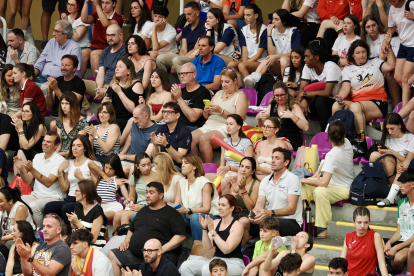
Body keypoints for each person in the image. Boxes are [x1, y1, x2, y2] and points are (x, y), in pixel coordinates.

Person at [108, 182, 186, 276]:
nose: (147, 195)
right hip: (136, 255)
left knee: (151, 264)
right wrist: (126, 241)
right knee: (112, 255)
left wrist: (161, 249)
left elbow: (180, 236)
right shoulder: (142, 211)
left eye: (151, 192)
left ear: (161, 195)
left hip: (159, 256)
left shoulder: (172, 213)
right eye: (147, 192)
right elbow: (132, 229)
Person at [300, 120, 355, 239]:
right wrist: (317, 174)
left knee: (319, 191)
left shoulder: (333, 155)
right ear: (343, 134)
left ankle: (325, 227)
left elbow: (323, 183)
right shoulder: (347, 142)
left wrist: (303, 180)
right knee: (307, 186)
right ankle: (305, 217)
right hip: (333, 183)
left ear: (329, 137)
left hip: (343, 188)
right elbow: (326, 160)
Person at [332, 39, 396, 133]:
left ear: (367, 52)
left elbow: (391, 66)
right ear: (352, 55)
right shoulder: (347, 70)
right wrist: (340, 96)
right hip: (357, 104)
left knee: (355, 107)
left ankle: (362, 140)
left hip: (377, 102)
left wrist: (388, 48)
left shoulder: (375, 62)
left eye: (363, 52)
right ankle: (337, 137)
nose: (361, 55)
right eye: (358, 53)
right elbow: (345, 88)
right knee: (336, 106)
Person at [191, 68, 249, 163]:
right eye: (222, 81)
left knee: (204, 138)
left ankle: (208, 169)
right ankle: (195, 167)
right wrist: (206, 111)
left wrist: (221, 111)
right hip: (209, 124)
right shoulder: (218, 93)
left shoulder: (241, 96)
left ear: (235, 81)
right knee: (190, 137)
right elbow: (206, 117)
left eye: (227, 82)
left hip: (225, 127)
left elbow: (239, 119)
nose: (223, 85)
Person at [243, 147, 302, 240]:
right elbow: (258, 206)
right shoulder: (265, 180)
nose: (273, 161)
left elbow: (292, 209)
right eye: (272, 158)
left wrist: (271, 212)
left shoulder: (292, 179)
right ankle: (245, 250)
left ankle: (259, 249)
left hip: (291, 222)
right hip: (269, 220)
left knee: (269, 226)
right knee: (243, 222)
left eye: (277, 158)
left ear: (286, 162)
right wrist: (253, 215)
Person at [179, 194, 245, 276]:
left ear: (231, 208)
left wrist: (213, 231)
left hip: (234, 263)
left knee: (207, 269)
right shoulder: (216, 222)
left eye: (223, 205)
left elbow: (226, 249)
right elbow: (208, 247)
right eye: (219, 204)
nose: (220, 208)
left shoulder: (237, 225)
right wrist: (204, 229)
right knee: (186, 266)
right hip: (216, 261)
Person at [44, 134, 103, 225]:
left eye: (78, 146)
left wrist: (81, 179)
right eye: (73, 145)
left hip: (85, 199)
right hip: (70, 198)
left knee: (66, 208)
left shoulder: (92, 163)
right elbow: (64, 188)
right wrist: (60, 171)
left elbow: (95, 188)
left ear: (85, 148)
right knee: (49, 206)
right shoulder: (69, 163)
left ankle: (70, 233)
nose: (74, 148)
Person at [16, 131, 65, 227]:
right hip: (36, 195)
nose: (44, 143)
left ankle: (38, 232)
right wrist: (21, 169)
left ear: (57, 145)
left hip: (53, 197)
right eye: (44, 140)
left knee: (34, 206)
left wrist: (32, 170)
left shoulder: (60, 160)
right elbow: (27, 181)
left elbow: (48, 182)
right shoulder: (37, 157)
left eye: (49, 142)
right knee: (17, 201)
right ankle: (21, 229)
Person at [243, 9, 301, 87]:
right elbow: (271, 53)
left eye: (276, 19)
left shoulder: (293, 31)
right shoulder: (272, 31)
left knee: (283, 59)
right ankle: (254, 79)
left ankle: (285, 84)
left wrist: (276, 56)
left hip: (290, 63)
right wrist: (269, 35)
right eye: (273, 19)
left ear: (284, 21)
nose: (273, 21)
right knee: (269, 57)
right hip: (276, 64)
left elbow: (293, 53)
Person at [296, 38, 342, 131]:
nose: (304, 60)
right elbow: (302, 90)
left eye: (307, 56)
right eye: (304, 57)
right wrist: (303, 99)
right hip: (314, 104)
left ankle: (325, 133)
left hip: (333, 102)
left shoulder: (331, 67)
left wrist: (304, 95)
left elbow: (326, 93)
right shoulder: (308, 67)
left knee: (320, 100)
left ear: (317, 57)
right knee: (295, 101)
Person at [370, 113, 414, 206]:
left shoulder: (410, 138)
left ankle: (391, 197)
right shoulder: (388, 136)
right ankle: (374, 186)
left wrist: (393, 153)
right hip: (391, 162)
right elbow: (387, 154)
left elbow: (407, 161)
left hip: (403, 164)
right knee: (374, 155)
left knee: (397, 164)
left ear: (399, 125)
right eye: (388, 129)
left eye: (392, 128)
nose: (389, 132)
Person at [174, 154, 220, 241]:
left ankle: (198, 249)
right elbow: (177, 204)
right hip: (190, 216)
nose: (182, 165)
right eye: (182, 163)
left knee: (195, 217)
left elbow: (207, 209)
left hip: (211, 217)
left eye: (186, 163)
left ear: (194, 166)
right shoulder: (180, 182)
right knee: (174, 217)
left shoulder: (204, 183)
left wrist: (188, 210)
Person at [360, 14, 401, 108]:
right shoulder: (363, 40)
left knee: (390, 73)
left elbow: (383, 59)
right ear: (365, 29)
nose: (372, 29)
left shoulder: (385, 38)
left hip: (383, 67)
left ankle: (396, 105)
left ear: (378, 25)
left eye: (373, 25)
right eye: (368, 27)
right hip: (368, 68)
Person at [156, 2, 205, 78]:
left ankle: (186, 86)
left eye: (189, 14)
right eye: (185, 14)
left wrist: (179, 60)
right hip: (185, 56)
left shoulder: (203, 27)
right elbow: (183, 48)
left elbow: (197, 48)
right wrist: (179, 59)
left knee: (176, 60)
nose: (186, 17)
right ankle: (165, 84)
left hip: (196, 55)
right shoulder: (186, 28)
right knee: (160, 58)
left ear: (197, 13)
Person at [113, 152, 158, 233]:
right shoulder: (135, 177)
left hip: (150, 207)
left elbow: (160, 199)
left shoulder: (157, 176)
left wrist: (143, 206)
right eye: (143, 165)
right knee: (117, 215)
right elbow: (132, 196)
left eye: (149, 164)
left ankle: (126, 242)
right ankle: (115, 241)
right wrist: (129, 200)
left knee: (124, 215)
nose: (147, 168)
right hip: (138, 206)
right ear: (137, 166)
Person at [256, 81, 308, 150]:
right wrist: (258, 118)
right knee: (257, 146)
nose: (279, 98)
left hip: (291, 139)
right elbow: (263, 127)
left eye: (282, 95)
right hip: (273, 137)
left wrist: (292, 116)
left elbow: (306, 127)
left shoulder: (294, 106)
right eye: (277, 96)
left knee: (274, 146)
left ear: (287, 94)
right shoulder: (272, 105)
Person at [381, 0, 414, 107]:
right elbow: (391, 27)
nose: (393, 3)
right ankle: (410, 104)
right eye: (390, 1)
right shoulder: (392, 8)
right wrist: (385, 42)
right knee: (398, 77)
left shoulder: (411, 4)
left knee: (405, 79)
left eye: (394, 0)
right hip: (403, 45)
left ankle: (405, 111)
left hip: (413, 45)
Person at [45, 54, 89, 131]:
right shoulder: (58, 80)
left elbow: (71, 103)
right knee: (33, 121)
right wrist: (49, 91)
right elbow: (49, 106)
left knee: (53, 124)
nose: (63, 68)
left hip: (69, 118)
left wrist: (56, 89)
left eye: (67, 65)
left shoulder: (79, 83)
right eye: (62, 65)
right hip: (54, 116)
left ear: (74, 68)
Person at [80, 0, 123, 78]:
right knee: (83, 53)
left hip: (109, 47)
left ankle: (97, 83)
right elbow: (84, 19)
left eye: (107, 3)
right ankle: (78, 81)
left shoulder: (118, 17)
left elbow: (106, 23)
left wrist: (97, 5)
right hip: (95, 46)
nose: (104, 5)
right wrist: (86, 3)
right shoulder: (97, 14)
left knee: (94, 54)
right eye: (103, 2)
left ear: (114, 4)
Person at [340, 207, 388, 276]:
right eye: (359, 222)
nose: (362, 226)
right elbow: (341, 262)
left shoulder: (375, 236)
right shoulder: (348, 236)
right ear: (353, 222)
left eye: (366, 222)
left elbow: (382, 263)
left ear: (369, 222)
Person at [383, 169, 414, 274]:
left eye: (403, 182)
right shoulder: (401, 203)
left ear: (413, 184)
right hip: (402, 241)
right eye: (399, 182)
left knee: (399, 258)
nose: (400, 185)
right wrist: (389, 243)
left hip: (412, 243)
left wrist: (396, 247)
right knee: (378, 243)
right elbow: (399, 232)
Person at [206, 114, 253, 184]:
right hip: (226, 171)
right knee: (203, 177)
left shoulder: (246, 142)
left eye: (231, 124)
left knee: (225, 181)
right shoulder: (225, 141)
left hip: (240, 173)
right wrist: (220, 171)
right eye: (227, 124)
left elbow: (248, 167)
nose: (228, 126)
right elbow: (222, 164)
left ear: (239, 126)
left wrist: (229, 168)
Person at [85, 24, 128, 99]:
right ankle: (86, 109)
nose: (110, 38)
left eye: (112, 35)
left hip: (116, 86)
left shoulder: (125, 51)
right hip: (103, 86)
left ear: (120, 35)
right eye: (108, 35)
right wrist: (99, 89)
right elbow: (101, 73)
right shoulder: (105, 51)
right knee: (77, 83)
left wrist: (105, 89)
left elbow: (122, 77)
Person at [101, 58, 144, 132]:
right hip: (112, 118)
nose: (117, 69)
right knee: (90, 125)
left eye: (120, 67)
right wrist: (103, 103)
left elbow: (134, 110)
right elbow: (105, 108)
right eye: (116, 66)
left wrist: (120, 92)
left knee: (111, 127)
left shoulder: (136, 84)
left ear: (129, 71)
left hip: (128, 120)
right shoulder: (113, 85)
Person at [227, 4, 267, 79]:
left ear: (256, 15)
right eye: (245, 15)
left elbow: (259, 54)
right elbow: (244, 52)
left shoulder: (264, 30)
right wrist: (245, 62)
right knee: (231, 64)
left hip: (260, 62)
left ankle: (251, 89)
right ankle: (234, 87)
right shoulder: (244, 29)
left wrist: (245, 63)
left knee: (241, 65)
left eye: (248, 15)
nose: (245, 18)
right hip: (248, 60)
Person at [148, 102, 192, 169]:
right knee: (138, 168)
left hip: (176, 167)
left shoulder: (185, 131)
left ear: (177, 115)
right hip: (161, 164)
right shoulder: (161, 128)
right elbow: (156, 158)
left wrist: (166, 144)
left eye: (169, 112)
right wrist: (156, 146)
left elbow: (180, 159)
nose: (165, 115)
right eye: (164, 112)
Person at [170, 63, 212, 131]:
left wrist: (179, 99)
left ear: (194, 75)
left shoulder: (203, 92)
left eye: (185, 73)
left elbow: (193, 118)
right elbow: (170, 114)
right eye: (181, 74)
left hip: (192, 128)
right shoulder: (181, 91)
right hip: (176, 125)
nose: (182, 76)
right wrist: (172, 102)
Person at [67, 180, 107, 250]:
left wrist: (77, 223)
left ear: (84, 194)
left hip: (94, 248)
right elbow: (75, 230)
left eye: (76, 191)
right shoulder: (78, 208)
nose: (74, 193)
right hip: (79, 247)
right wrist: (72, 222)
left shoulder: (97, 210)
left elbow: (93, 239)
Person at [119, 105, 158, 169]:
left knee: (123, 169)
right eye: (134, 118)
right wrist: (123, 152)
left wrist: (124, 156)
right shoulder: (135, 124)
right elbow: (131, 136)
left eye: (137, 118)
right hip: (126, 160)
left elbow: (146, 156)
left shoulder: (156, 130)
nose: (135, 121)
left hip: (141, 164)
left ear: (146, 116)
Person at [61, 0, 91, 78]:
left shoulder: (82, 19)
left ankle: (76, 80)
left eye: (72, 5)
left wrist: (67, 23)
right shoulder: (66, 18)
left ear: (78, 7)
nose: (69, 6)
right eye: (68, 4)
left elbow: (77, 37)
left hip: (82, 47)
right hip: (68, 46)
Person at [96, 154, 129, 223]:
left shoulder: (118, 180)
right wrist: (103, 174)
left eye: (111, 169)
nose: (107, 171)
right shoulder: (99, 177)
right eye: (106, 167)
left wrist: (130, 183)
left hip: (112, 207)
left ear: (116, 169)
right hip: (99, 207)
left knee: (99, 217)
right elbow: (90, 164)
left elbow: (127, 197)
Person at [55, 91, 87, 156]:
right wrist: (55, 154)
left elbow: (79, 146)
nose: (63, 107)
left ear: (73, 105)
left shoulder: (82, 122)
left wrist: (62, 154)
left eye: (67, 104)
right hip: (62, 155)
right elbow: (60, 143)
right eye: (62, 103)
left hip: (76, 155)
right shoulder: (60, 120)